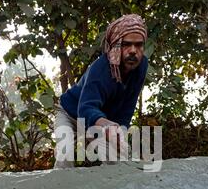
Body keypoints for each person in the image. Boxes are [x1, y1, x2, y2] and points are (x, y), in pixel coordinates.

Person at [54, 14, 148, 168]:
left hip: (100, 120)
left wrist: (120, 133)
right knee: (66, 153)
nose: (133, 51)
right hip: (71, 113)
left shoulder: (141, 66)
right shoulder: (100, 70)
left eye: (138, 45)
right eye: (126, 44)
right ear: (115, 45)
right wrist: (107, 125)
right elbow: (85, 108)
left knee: (120, 159)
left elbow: (127, 108)